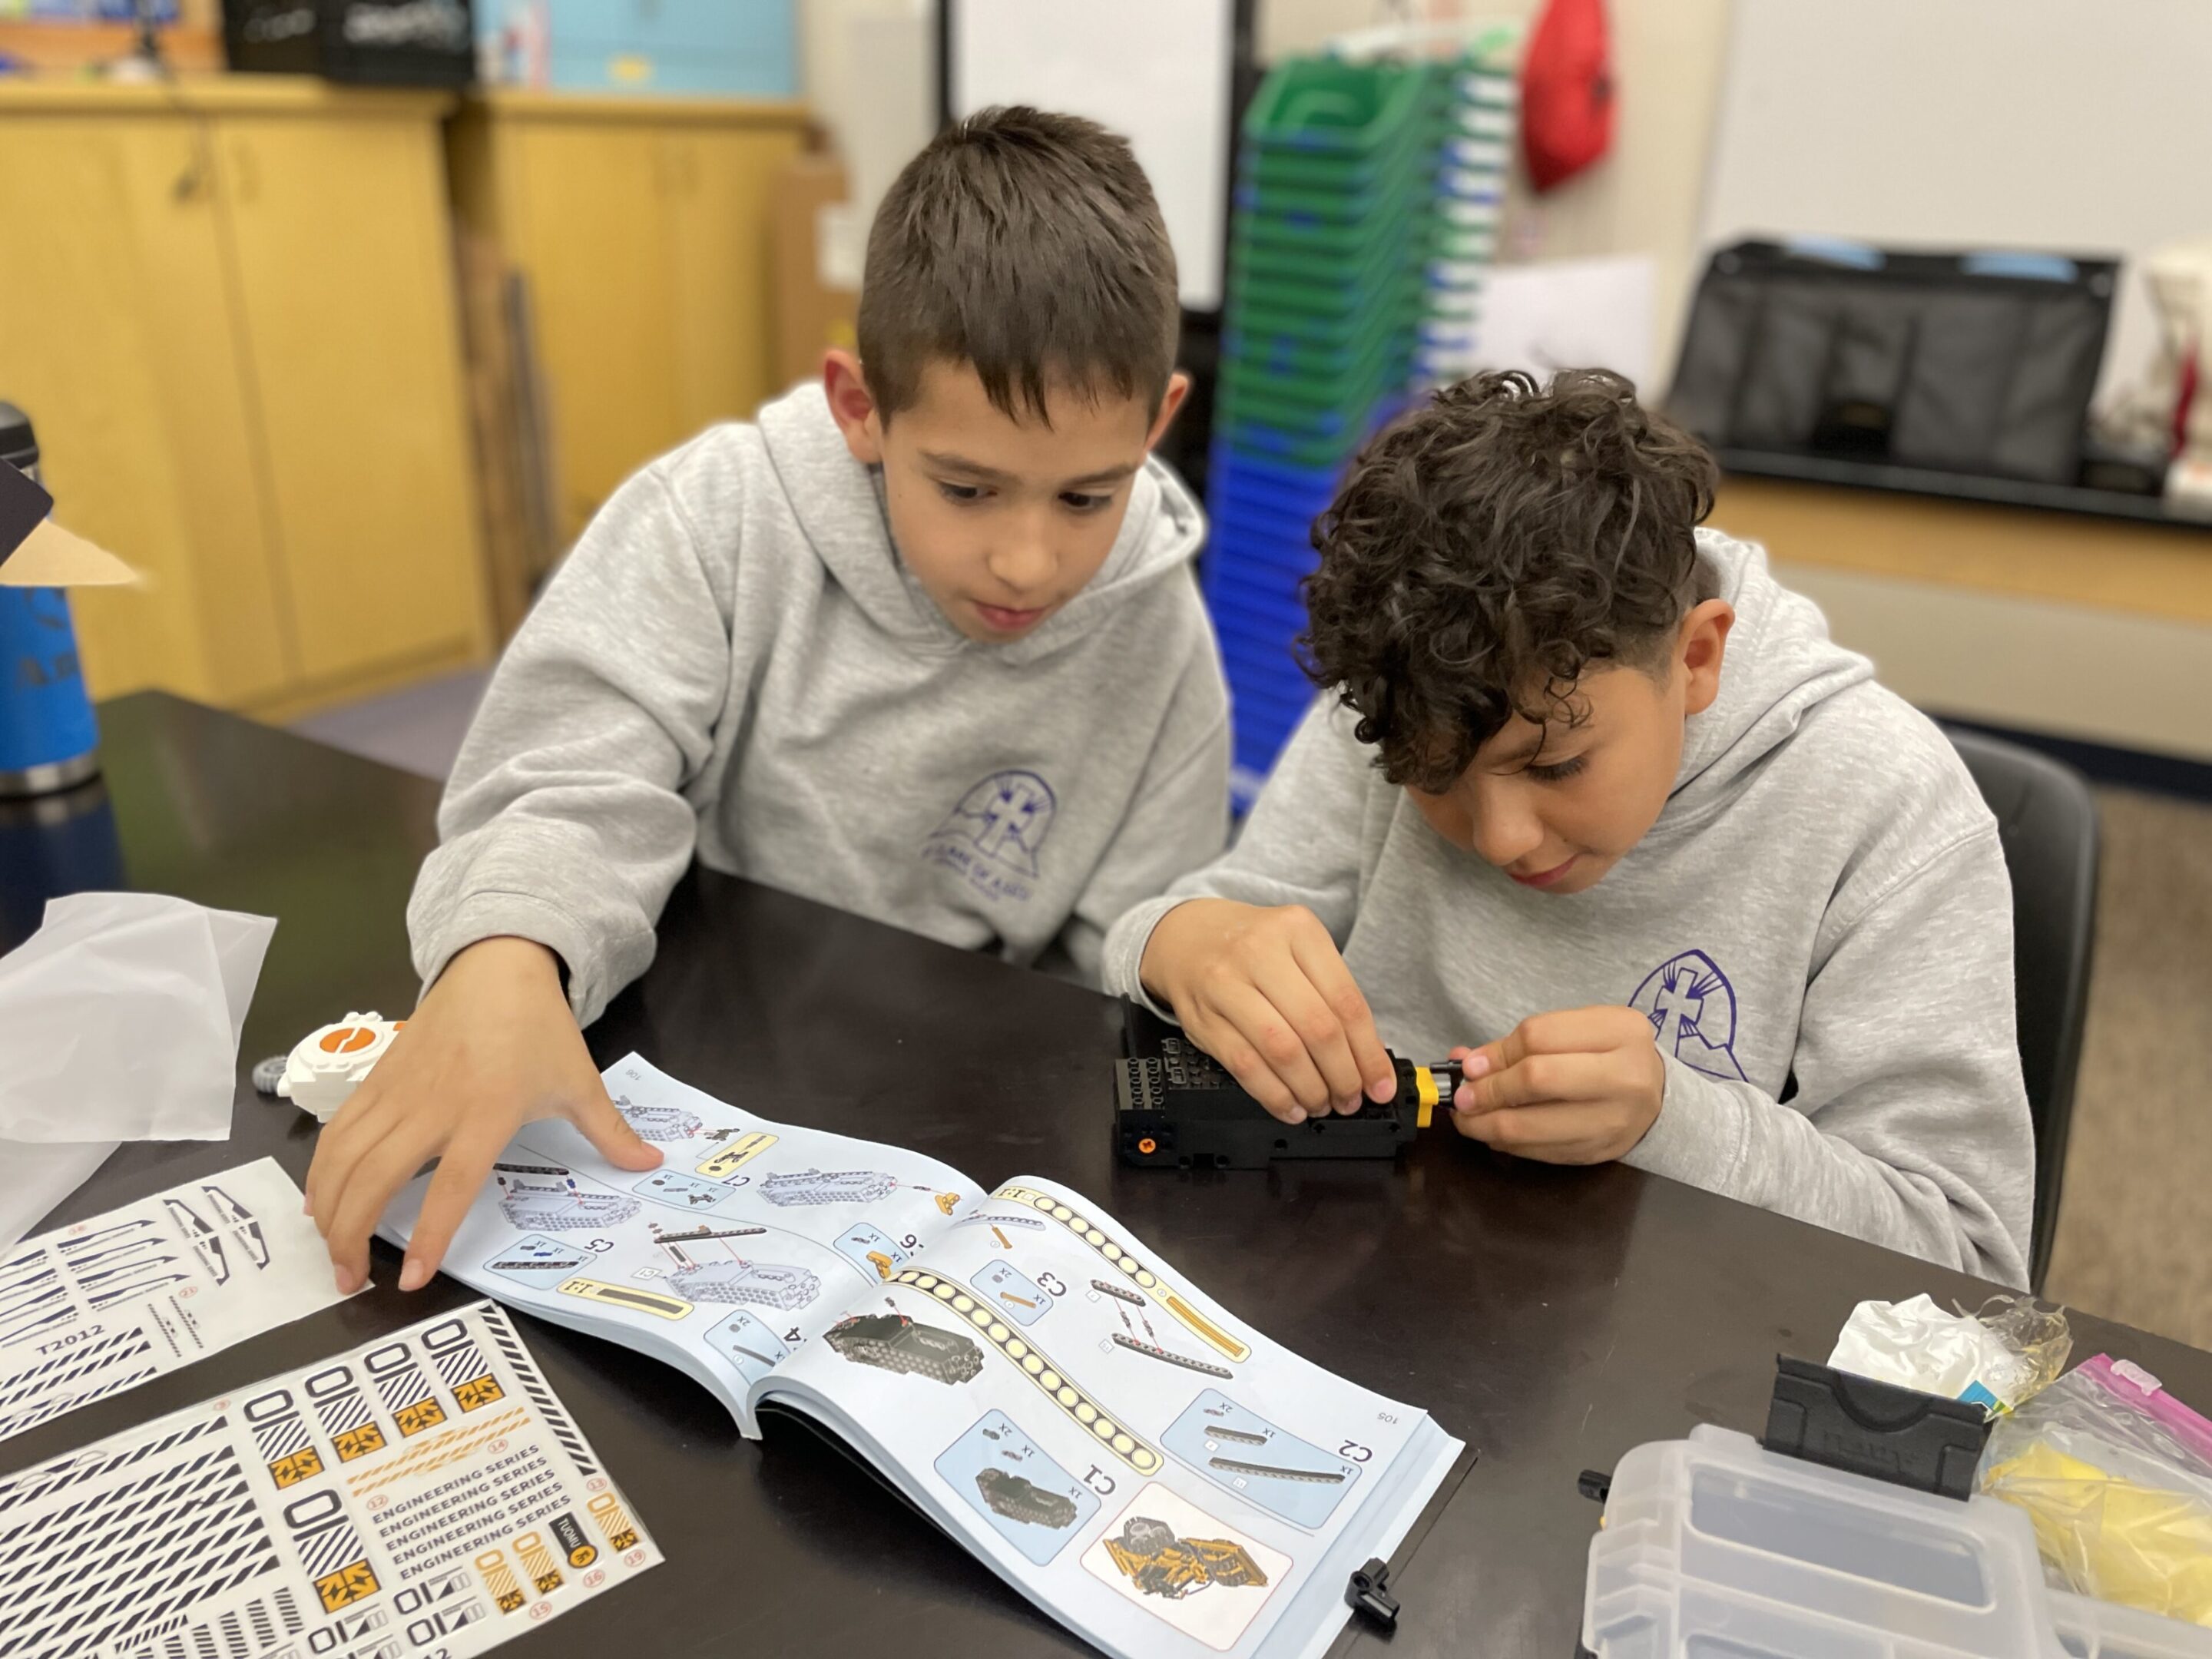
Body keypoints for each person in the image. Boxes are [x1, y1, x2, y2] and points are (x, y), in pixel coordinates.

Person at [307, 108, 1230, 1295]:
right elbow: (570, 772)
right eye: (966, 487)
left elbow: (1133, 950)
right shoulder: (717, 517)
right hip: (694, 1069)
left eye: (1085, 500)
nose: (1027, 564)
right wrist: (506, 951)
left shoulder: (1158, 632)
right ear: (858, 406)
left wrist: (1174, 951)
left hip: (968, 1147)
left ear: (1158, 421)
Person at [1107, 369, 2032, 1285]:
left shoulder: (1888, 806)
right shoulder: (1412, 687)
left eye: (1554, 766)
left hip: (1671, 1349)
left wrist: (1674, 1122)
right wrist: (1178, 943)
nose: (1503, 837)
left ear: (1698, 657)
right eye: (1432, 779)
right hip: (1360, 1278)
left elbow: (1965, 1259)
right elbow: (1194, 929)